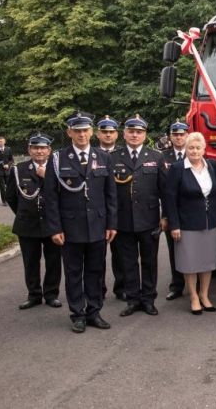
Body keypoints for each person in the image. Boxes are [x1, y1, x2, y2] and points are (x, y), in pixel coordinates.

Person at [43, 112, 117, 333]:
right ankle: (78, 314)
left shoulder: (103, 157)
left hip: (98, 226)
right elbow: (51, 197)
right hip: (70, 228)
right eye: (77, 131)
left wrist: (112, 224)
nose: (82, 134)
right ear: (69, 133)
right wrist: (55, 228)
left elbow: (110, 195)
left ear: (92, 132)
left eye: (85, 130)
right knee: (74, 272)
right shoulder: (57, 159)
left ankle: (94, 311)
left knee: (96, 271)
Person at [112, 115, 166, 317]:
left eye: (139, 132)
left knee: (149, 261)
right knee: (128, 262)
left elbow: (165, 190)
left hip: (149, 218)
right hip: (123, 220)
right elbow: (109, 194)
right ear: (124, 133)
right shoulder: (113, 158)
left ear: (145, 135)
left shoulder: (156, 156)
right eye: (131, 131)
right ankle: (133, 299)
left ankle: (149, 299)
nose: (135, 135)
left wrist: (166, 216)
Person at [164, 132, 216, 315]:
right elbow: (170, 199)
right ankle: (193, 297)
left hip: (210, 223)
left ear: (204, 150)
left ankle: (204, 295)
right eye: (191, 148)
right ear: (186, 150)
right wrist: (174, 225)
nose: (194, 151)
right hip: (187, 224)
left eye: (198, 147)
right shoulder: (177, 168)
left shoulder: (212, 166)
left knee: (207, 262)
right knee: (190, 263)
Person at [5, 132, 62, 310]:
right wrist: (24, 213)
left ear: (49, 150)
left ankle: (52, 294)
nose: (39, 151)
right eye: (35, 148)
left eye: (43, 148)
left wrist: (47, 176)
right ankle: (34, 295)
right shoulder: (18, 170)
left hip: (52, 224)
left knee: (53, 261)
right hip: (27, 224)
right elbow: (11, 197)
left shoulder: (57, 168)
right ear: (29, 150)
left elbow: (64, 195)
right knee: (30, 261)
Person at [96, 115, 125, 301]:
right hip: (97, 214)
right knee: (97, 256)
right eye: (104, 132)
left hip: (119, 213)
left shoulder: (123, 155)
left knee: (120, 255)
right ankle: (98, 289)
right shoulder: (90, 155)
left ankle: (121, 287)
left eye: (111, 132)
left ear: (117, 134)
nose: (108, 135)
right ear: (97, 134)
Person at [162, 120, 189, 300]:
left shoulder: (195, 153)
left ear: (187, 135)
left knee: (192, 249)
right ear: (170, 137)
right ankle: (176, 285)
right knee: (174, 250)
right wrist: (164, 215)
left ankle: (196, 285)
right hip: (171, 210)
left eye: (182, 134)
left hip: (191, 210)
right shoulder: (162, 157)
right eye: (175, 134)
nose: (179, 137)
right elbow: (161, 190)